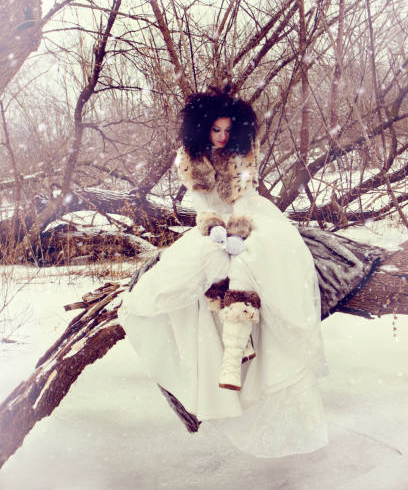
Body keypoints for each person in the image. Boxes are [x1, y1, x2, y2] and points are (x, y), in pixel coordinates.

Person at [119, 90, 328, 458]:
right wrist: (214, 227)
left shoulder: (241, 154)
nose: (221, 136)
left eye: (227, 130)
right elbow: (202, 206)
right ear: (203, 129)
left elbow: (244, 199)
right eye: (215, 129)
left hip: (249, 216)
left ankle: (235, 355)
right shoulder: (190, 159)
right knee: (200, 266)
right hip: (212, 224)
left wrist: (239, 228)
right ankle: (232, 347)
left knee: (254, 257)